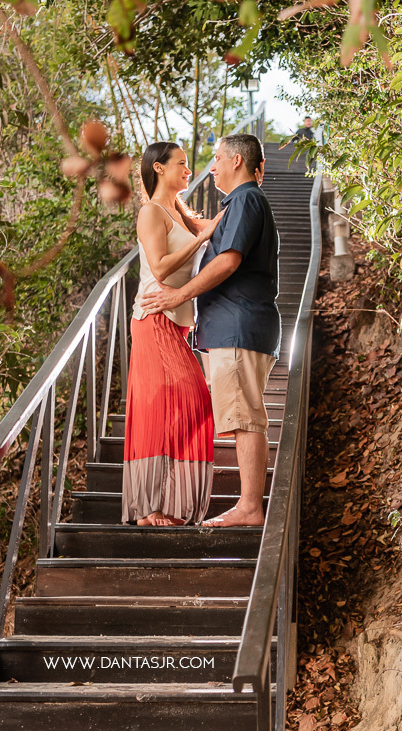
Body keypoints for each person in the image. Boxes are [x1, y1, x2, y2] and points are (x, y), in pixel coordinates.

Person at [139, 133, 278, 528]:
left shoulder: (247, 199)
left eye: (216, 159)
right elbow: (194, 235)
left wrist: (177, 295)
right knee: (239, 415)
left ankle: (250, 507)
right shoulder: (237, 204)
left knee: (243, 418)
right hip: (231, 328)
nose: (210, 167)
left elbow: (228, 261)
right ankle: (243, 504)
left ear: (237, 161)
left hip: (238, 327)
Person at [122, 142, 220, 527]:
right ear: (158, 169)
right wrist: (200, 238)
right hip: (152, 318)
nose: (188, 168)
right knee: (168, 406)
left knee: (187, 404)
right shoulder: (150, 212)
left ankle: (167, 505)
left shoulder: (179, 211)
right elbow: (160, 269)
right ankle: (152, 506)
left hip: (177, 322)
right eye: (180, 163)